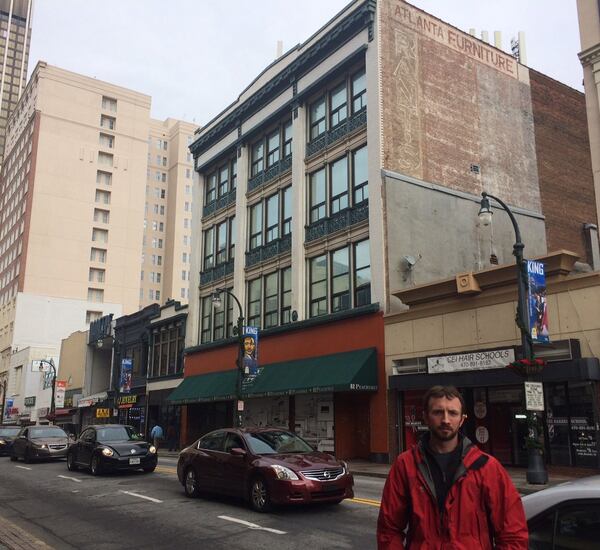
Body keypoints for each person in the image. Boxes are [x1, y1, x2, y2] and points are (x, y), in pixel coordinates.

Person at [377, 385, 528, 549]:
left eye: (453, 413)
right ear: (425, 417)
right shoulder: (405, 465)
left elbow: (513, 534)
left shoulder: (487, 467)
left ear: (462, 420)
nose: (446, 420)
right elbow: (389, 530)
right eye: (438, 412)